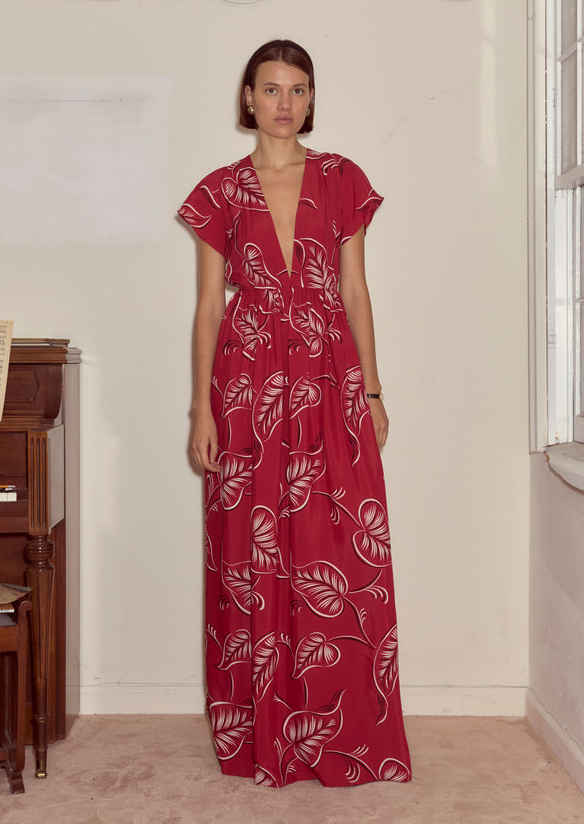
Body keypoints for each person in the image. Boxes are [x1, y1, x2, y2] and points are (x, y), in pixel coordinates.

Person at [178, 39, 411, 788]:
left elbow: (354, 291)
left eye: (298, 88)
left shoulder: (343, 180)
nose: (285, 102)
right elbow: (210, 307)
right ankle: (259, 736)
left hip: (327, 376)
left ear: (312, 98)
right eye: (271, 88)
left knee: (339, 548)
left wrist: (371, 391)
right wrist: (200, 411)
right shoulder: (219, 190)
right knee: (249, 556)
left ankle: (340, 734)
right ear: (248, 98)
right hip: (245, 390)